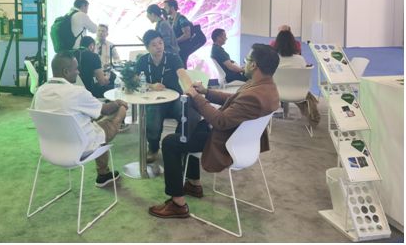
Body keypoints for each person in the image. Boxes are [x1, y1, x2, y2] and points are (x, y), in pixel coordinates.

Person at [148, 44, 280, 218]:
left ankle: (177, 203)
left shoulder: (254, 94)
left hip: (225, 142)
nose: (244, 64)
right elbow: (234, 99)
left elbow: (220, 121)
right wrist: (206, 92)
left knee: (170, 142)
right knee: (190, 130)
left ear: (254, 65)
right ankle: (193, 184)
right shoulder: (267, 88)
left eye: (246, 60)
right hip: (238, 138)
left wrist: (197, 97)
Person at [31, 51, 128, 187]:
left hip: (51, 149)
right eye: (76, 69)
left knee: (94, 122)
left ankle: (104, 173)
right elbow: (105, 110)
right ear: (66, 71)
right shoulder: (77, 92)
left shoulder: (40, 92)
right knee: (120, 110)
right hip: (80, 147)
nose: (78, 72)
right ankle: (102, 174)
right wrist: (118, 103)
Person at [135, 29, 191, 163]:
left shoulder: (173, 58)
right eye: (154, 44)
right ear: (147, 47)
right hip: (153, 101)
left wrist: (190, 89)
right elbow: (135, 80)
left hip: (174, 99)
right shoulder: (142, 61)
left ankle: (179, 145)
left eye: (160, 43)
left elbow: (183, 75)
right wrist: (151, 86)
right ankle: (153, 148)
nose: (159, 47)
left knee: (186, 113)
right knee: (152, 119)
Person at [273, 30, 320, 126]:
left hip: (277, 93)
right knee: (307, 95)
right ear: (293, 44)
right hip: (299, 94)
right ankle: (312, 117)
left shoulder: (274, 59)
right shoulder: (300, 59)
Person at [164, 0, 193, 66]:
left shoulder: (181, 19)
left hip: (183, 48)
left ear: (172, 7)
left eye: (166, 7)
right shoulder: (169, 20)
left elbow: (187, 35)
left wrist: (174, 42)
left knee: (181, 66)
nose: (164, 9)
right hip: (176, 49)